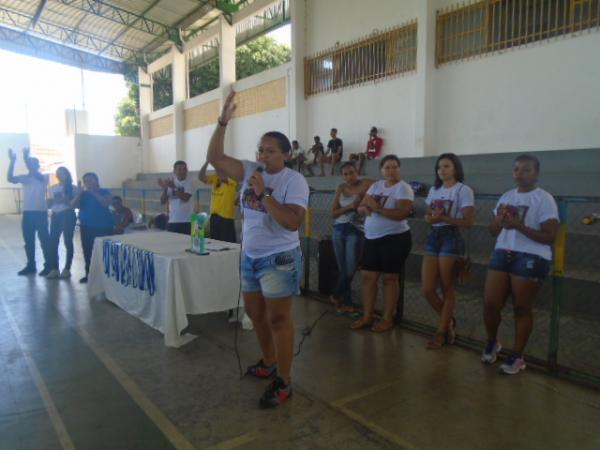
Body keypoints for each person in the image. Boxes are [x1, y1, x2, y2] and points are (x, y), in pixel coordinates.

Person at [207, 90, 309, 409]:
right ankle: (269, 362)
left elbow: (292, 222)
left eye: (270, 151)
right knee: (255, 313)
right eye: (260, 150)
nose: (263, 156)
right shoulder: (250, 170)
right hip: (250, 256)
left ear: (285, 154)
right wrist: (223, 122)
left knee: (279, 319)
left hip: (279, 258)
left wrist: (265, 195)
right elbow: (216, 158)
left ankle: (285, 380)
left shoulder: (294, 181)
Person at [481, 154, 558, 375]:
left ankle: (517, 355)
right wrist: (499, 221)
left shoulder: (544, 199)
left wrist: (518, 226)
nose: (520, 174)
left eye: (526, 170)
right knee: (490, 305)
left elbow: (549, 236)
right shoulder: (506, 196)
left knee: (522, 308)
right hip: (502, 252)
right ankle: (492, 341)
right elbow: (492, 231)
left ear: (536, 173)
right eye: (516, 169)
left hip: (531, 256)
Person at [352, 155, 414, 332]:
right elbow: (362, 207)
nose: (391, 170)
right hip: (372, 238)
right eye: (387, 167)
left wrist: (376, 208)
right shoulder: (376, 186)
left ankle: (387, 318)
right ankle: (367, 316)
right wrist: (364, 208)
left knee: (389, 279)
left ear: (399, 169)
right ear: (381, 170)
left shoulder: (403, 188)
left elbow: (401, 213)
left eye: (394, 167)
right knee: (367, 278)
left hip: (395, 239)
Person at [421, 154, 475, 349]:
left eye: (446, 166)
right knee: (427, 289)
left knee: (447, 288)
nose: (442, 170)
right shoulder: (435, 189)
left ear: (455, 168)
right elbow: (428, 216)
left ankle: (441, 332)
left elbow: (468, 222)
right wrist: (432, 219)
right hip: (434, 236)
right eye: (439, 167)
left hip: (451, 237)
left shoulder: (463, 190)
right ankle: (449, 321)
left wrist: (444, 218)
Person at [330, 162, 373, 313]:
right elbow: (333, 213)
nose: (349, 176)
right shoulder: (341, 188)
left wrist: (361, 195)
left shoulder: (366, 183)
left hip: (355, 230)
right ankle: (347, 303)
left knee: (350, 269)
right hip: (338, 229)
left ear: (357, 171)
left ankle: (336, 295)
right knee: (343, 269)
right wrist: (349, 207)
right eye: (346, 174)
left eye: (352, 172)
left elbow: (380, 183)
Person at [6, 147, 51, 276]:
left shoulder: (43, 177)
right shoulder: (24, 178)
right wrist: (12, 161)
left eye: (32, 163)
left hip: (40, 213)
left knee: (44, 240)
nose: (30, 165)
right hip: (28, 214)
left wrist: (26, 158)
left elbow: (35, 173)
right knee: (29, 242)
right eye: (28, 163)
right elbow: (10, 178)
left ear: (37, 165)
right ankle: (31, 265)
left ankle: (48, 266)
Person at [72, 172, 114, 283]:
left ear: (96, 181)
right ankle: (89, 275)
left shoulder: (105, 191)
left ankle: (107, 277)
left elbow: (106, 202)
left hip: (103, 227)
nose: (88, 183)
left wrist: (93, 192)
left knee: (104, 252)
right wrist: (79, 194)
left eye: (90, 180)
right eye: (86, 181)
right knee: (88, 251)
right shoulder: (83, 194)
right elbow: (73, 206)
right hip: (86, 226)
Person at [46, 166, 78, 279]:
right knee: (53, 242)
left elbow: (75, 205)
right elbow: (50, 204)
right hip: (55, 215)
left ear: (67, 174)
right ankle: (54, 269)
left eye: (62, 173)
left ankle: (67, 269)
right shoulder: (53, 188)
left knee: (67, 241)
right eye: (58, 173)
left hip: (67, 215)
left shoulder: (73, 188)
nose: (60, 175)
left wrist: (66, 201)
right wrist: (49, 203)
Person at [199, 160, 238, 243]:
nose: (218, 169)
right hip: (214, 216)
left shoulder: (232, 178)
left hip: (226, 217)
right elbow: (201, 177)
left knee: (228, 245)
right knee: (215, 243)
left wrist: (215, 162)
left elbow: (223, 178)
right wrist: (207, 162)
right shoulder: (214, 178)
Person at [159, 161, 194, 235]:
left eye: (184, 169)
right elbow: (162, 201)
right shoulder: (171, 182)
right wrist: (165, 188)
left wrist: (173, 187)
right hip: (173, 221)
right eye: (179, 169)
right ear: (174, 171)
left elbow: (185, 198)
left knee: (187, 245)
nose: (182, 172)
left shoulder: (190, 182)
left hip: (188, 221)